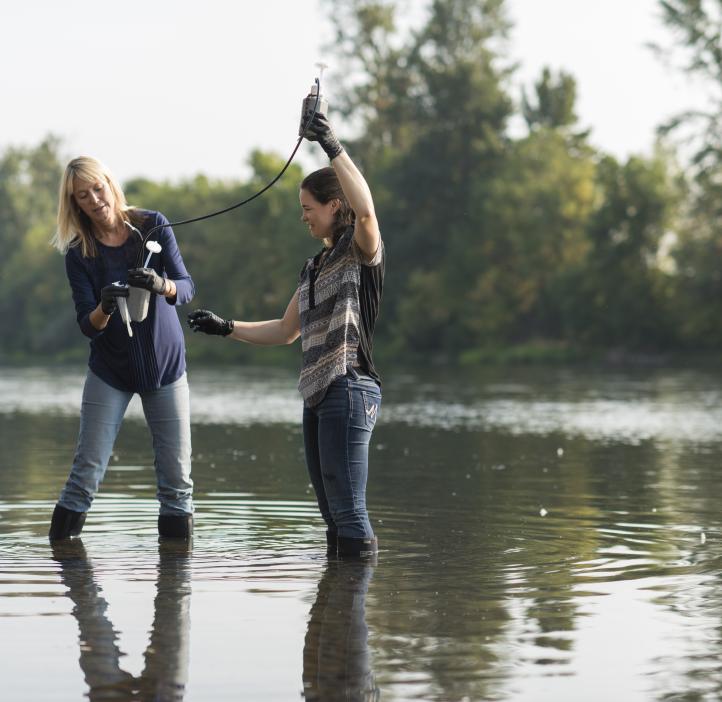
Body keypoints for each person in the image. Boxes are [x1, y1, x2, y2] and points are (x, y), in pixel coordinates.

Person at [188, 113, 384, 558]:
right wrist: (227, 327)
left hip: (350, 387)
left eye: (308, 209)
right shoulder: (313, 267)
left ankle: (353, 611)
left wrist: (331, 144)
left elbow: (367, 209)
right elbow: (285, 330)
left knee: (349, 511)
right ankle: (333, 616)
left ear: (335, 206)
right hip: (317, 395)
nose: (303, 218)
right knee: (330, 514)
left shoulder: (361, 249)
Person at [49, 156, 195, 540]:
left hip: (165, 368)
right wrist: (105, 305)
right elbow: (87, 325)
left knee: (177, 484)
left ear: (110, 184)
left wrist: (161, 285)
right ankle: (66, 575)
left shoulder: (153, 225)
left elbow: (186, 286)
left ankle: (175, 588)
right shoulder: (79, 254)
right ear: (75, 204)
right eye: (83, 196)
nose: (95, 199)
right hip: (110, 371)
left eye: (98, 188)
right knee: (85, 475)